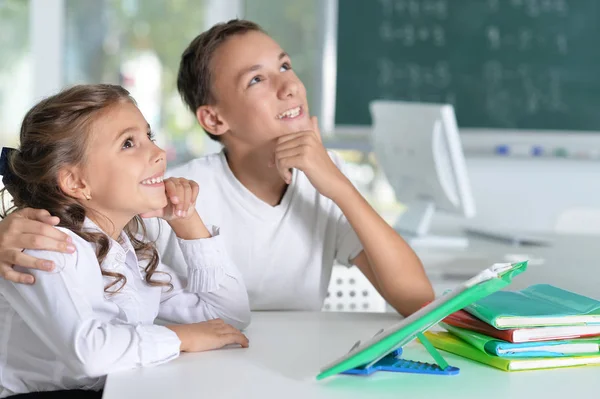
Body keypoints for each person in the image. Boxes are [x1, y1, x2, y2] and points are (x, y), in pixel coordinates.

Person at [0, 19, 434, 317]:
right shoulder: (173, 193)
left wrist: (339, 186)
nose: (289, 86)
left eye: (285, 65)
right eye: (257, 79)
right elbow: (78, 233)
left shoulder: (324, 179)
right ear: (214, 119)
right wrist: (15, 226)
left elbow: (418, 300)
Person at [0, 84, 250, 398]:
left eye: (150, 137)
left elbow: (229, 317)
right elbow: (89, 354)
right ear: (77, 182)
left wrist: (186, 219)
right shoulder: (47, 245)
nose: (158, 153)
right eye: (129, 143)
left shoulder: (131, 252)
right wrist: (180, 337)